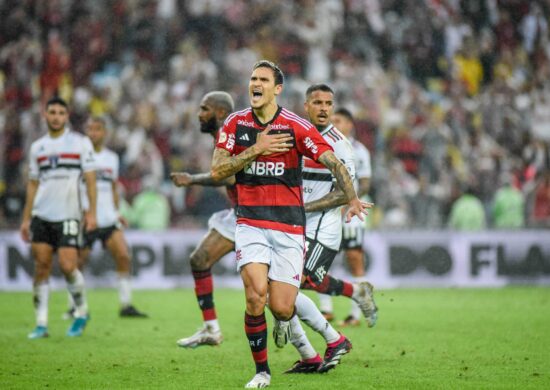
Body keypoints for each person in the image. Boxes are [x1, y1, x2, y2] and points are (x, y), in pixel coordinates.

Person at [211, 60, 368, 388]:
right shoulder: (235, 123)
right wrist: (257, 148)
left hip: (289, 227)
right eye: (252, 78)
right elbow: (218, 171)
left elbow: (333, 162)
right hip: (251, 222)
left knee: (282, 308)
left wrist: (351, 197)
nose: (255, 83)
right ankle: (262, 371)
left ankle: (323, 343)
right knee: (255, 296)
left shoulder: (296, 126)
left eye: (263, 80)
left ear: (277, 89)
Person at [285, 84, 377, 374]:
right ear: (306, 105)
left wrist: (304, 208)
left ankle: (328, 342)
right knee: (286, 285)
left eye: (329, 103)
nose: (324, 108)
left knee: (291, 285)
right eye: (318, 102)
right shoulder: (295, 134)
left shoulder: (339, 144)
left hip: (323, 225)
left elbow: (345, 193)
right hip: (293, 223)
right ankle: (355, 294)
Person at [20, 96, 96, 338]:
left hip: (69, 215)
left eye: (60, 113)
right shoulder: (37, 148)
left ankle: (81, 312)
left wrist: (91, 212)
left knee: (67, 266)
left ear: (67, 115)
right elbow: (32, 185)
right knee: (41, 266)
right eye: (51, 112)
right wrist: (26, 218)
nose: (56, 117)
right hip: (42, 215)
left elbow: (91, 180)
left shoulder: (80, 143)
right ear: (45, 115)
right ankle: (41, 324)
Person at [170, 91, 237, 348]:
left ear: (220, 113)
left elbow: (228, 177)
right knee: (199, 259)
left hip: (257, 216)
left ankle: (353, 293)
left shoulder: (227, 136)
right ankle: (211, 329)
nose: (199, 114)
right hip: (241, 215)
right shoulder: (221, 136)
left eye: (204, 108)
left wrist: (193, 178)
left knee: (288, 291)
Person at [66, 116, 147, 318]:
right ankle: (74, 306)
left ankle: (126, 305)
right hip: (86, 217)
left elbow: (112, 188)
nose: (93, 133)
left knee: (123, 255)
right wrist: (80, 211)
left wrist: (117, 211)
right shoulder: (78, 157)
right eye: (90, 129)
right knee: (78, 262)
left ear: (105, 132)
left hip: (108, 218)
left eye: (97, 129)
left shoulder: (112, 157)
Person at [317, 108, 374, 326]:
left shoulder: (359, 150)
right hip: (329, 211)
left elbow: (366, 181)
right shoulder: (325, 146)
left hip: (352, 212)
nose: (334, 124)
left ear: (350, 124)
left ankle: (355, 315)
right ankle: (326, 309)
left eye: (338, 120)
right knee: (323, 259)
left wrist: (351, 198)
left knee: (355, 259)